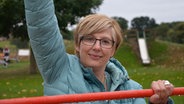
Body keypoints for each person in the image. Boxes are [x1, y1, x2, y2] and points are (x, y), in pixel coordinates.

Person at [24, 0, 174, 103]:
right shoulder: (58, 68)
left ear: (114, 50)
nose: (97, 47)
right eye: (89, 39)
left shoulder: (132, 90)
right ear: (77, 44)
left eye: (105, 42)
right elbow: (41, 23)